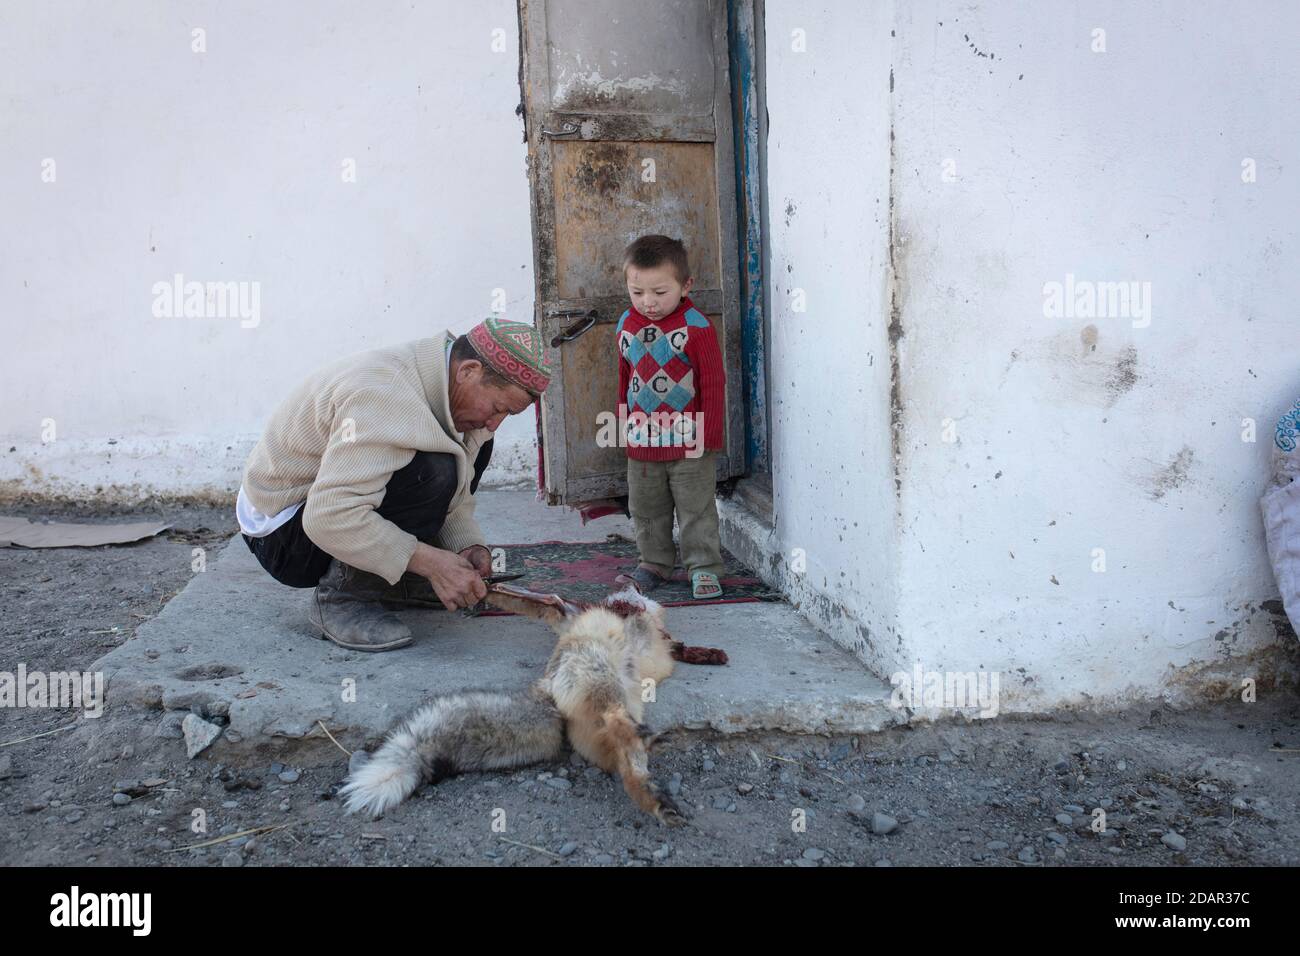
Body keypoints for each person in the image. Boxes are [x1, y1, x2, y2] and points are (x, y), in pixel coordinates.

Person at [237, 317, 551, 651]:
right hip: (282, 536)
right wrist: (431, 562)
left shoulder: (446, 388)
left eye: (507, 416)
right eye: (498, 408)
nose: (495, 422)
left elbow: (457, 490)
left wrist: (465, 546)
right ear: (469, 371)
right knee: (432, 469)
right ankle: (341, 599)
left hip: (319, 514)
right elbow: (327, 517)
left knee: (458, 454)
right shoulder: (385, 397)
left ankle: (395, 578)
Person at [612, 235, 727, 599]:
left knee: (695, 508)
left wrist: (709, 433)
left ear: (685, 285)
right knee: (646, 508)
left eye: (660, 292)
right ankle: (654, 563)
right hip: (642, 440)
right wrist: (621, 425)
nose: (648, 302)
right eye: (638, 292)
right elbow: (624, 379)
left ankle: (703, 566)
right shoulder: (626, 325)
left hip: (688, 440)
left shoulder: (696, 326)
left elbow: (712, 379)